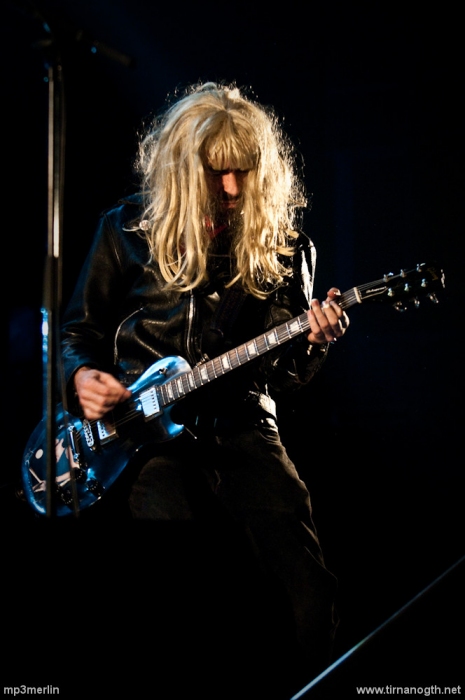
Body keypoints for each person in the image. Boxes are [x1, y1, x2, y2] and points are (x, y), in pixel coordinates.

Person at [60, 82, 349, 694]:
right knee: (184, 589)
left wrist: (315, 342)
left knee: (308, 594)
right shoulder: (127, 228)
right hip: (145, 434)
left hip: (243, 425)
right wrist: (83, 377)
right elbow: (78, 332)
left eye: (245, 172)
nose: (233, 189)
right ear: (184, 171)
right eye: (218, 173)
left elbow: (286, 378)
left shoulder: (285, 246)